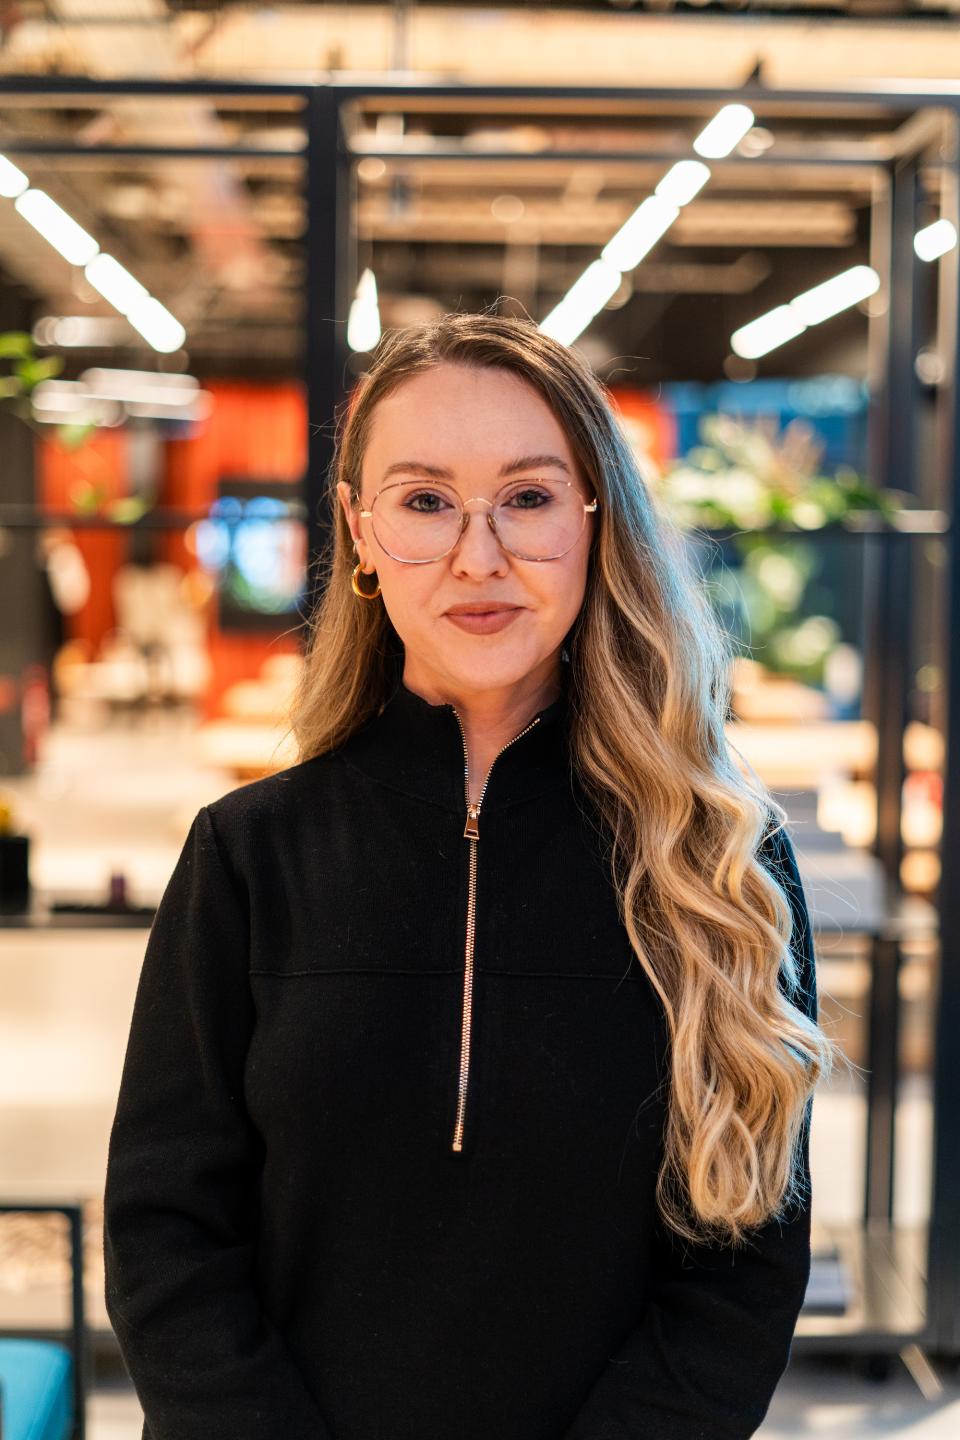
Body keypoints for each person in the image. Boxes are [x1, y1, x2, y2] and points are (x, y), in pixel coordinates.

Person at [103, 310, 838, 1440]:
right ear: (359, 531)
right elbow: (167, 1236)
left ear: (597, 522)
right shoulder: (248, 857)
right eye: (425, 502)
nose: (478, 557)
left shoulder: (721, 864)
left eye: (529, 497)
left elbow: (743, 1267)